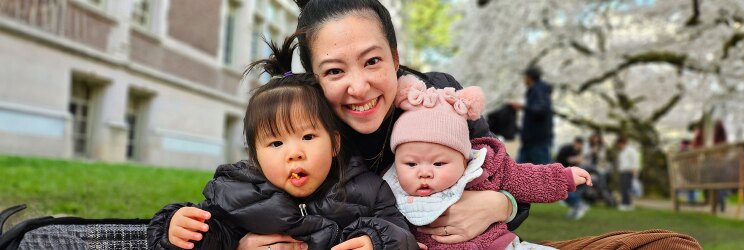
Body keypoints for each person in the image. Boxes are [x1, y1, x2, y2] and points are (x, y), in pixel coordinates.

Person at [239, 0, 702, 249]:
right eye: (335, 71)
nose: (358, 87)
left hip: (488, 245)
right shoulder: (308, 125)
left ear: (396, 60)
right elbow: (252, 201)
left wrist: (500, 205)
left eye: (373, 61)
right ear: (315, 80)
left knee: (670, 247)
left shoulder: (438, 96)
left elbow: (507, 178)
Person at [147, 35, 418, 250]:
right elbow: (211, 234)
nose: (294, 153)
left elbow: (402, 234)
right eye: (276, 144)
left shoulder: (368, 191)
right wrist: (176, 230)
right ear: (255, 157)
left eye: (308, 137)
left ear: (335, 143)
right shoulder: (236, 192)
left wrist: (377, 241)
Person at [382, 76, 592, 249]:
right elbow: (384, 228)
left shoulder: (485, 169)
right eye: (411, 164)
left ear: (464, 160)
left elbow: (528, 179)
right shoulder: (389, 191)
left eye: (438, 164)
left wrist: (564, 177)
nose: (424, 172)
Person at [513, 66, 554, 164]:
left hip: (537, 141)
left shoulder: (539, 91)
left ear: (529, 77)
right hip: (530, 141)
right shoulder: (535, 91)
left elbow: (541, 110)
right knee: (518, 172)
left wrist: (523, 107)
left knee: (545, 172)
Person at [555, 137, 588, 219]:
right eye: (578, 144)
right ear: (575, 143)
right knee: (563, 191)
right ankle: (578, 204)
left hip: (570, 174)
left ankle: (578, 205)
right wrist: (571, 160)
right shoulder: (566, 149)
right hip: (561, 172)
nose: (579, 146)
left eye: (580, 145)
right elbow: (560, 159)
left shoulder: (578, 151)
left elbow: (577, 163)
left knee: (566, 190)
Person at [582, 132, 617, 207]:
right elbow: (584, 155)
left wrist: (598, 153)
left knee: (602, 176)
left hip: (598, 165)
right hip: (588, 165)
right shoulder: (587, 145)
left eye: (597, 138)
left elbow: (602, 157)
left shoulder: (602, 146)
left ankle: (604, 192)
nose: (596, 140)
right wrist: (592, 151)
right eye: (594, 138)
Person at [616, 136, 641, 211]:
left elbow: (635, 160)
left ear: (622, 143)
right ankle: (625, 203)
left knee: (627, 189)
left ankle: (627, 204)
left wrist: (635, 171)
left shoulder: (630, 150)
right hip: (622, 172)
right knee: (623, 188)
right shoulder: (622, 151)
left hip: (629, 171)